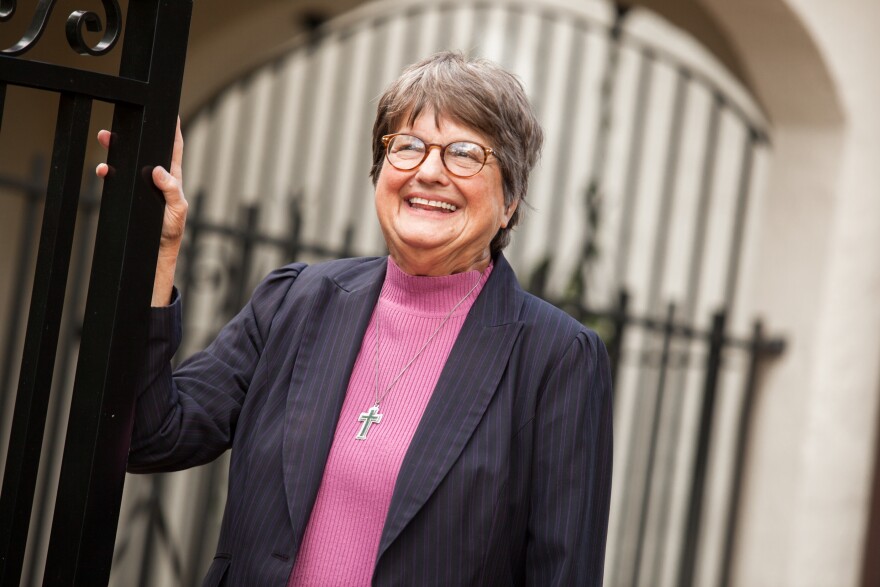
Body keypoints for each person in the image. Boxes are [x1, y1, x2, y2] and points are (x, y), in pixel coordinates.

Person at [99, 51, 613, 586]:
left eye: (464, 153)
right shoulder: (294, 301)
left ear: (510, 200)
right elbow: (146, 437)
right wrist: (157, 254)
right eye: (408, 146)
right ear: (381, 171)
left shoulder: (556, 358)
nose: (430, 171)